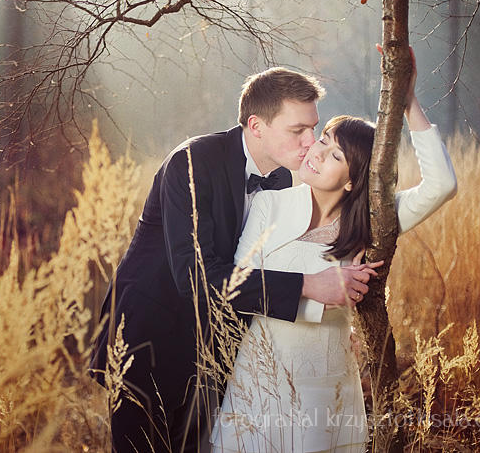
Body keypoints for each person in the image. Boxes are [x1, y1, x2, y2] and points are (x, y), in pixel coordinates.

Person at [89, 65, 382, 453]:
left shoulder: (281, 180)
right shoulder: (191, 162)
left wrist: (332, 327)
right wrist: (309, 287)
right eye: (298, 130)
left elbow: (266, 264)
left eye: (314, 128)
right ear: (256, 125)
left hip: (217, 358)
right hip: (149, 344)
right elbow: (195, 278)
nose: (310, 141)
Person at [209, 47, 458, 453]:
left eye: (335, 154)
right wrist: (312, 290)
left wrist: (408, 102)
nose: (317, 151)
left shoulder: (372, 224)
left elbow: (442, 185)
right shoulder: (271, 202)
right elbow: (241, 283)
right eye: (323, 140)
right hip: (256, 380)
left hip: (321, 385)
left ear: (352, 181)